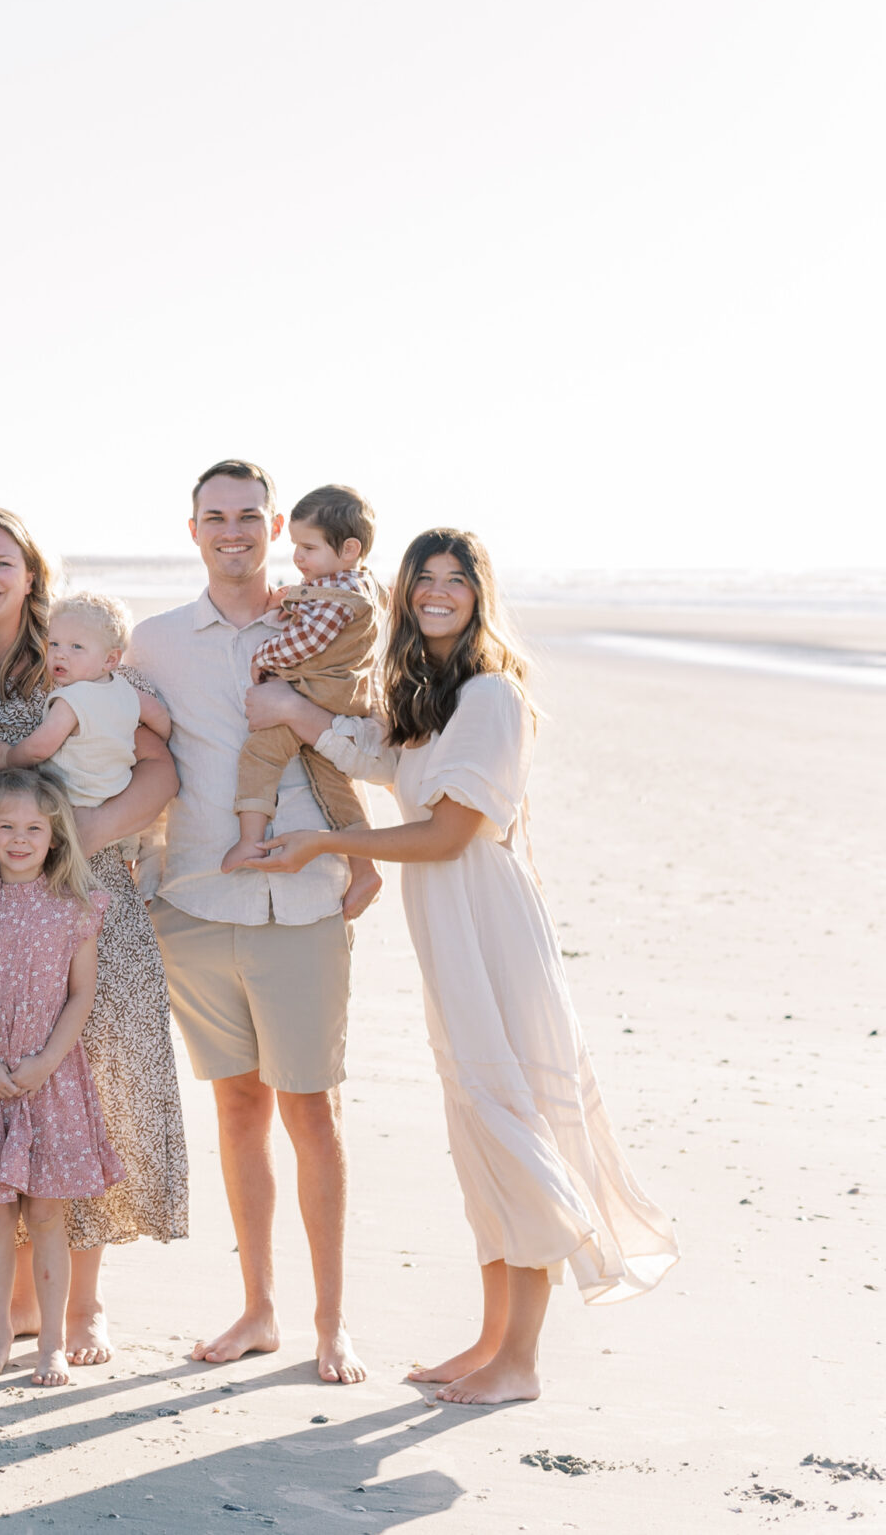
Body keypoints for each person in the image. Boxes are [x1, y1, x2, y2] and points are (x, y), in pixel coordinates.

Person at [249, 529, 679, 1404]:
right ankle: (491, 1341)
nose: (438, 593)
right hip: (450, 931)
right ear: (404, 594)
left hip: (491, 928)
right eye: (425, 581)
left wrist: (329, 839)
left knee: (511, 1123)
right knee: (479, 1125)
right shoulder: (426, 694)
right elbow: (382, 756)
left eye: (457, 580)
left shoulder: (490, 694)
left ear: (480, 594)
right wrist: (300, 715)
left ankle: (519, 1362)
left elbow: (449, 834)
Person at [127, 459, 367, 1384]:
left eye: (250, 517)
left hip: (303, 893)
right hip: (193, 898)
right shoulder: (153, 641)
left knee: (312, 1107)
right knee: (236, 1106)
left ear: (275, 529)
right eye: (215, 516)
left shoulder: (325, 620)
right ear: (193, 530)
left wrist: (362, 852)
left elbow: (370, 740)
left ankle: (331, 1323)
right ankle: (259, 1308)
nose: (233, 530)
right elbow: (122, 746)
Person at [0, 508, 187, 1365]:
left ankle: (82, 1304)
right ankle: (15, 1301)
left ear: (31, 574)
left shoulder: (71, 658)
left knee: (92, 1086)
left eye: (3, 561)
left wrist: (85, 834)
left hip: (82, 894)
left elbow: (161, 760)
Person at [0, 769, 120, 1385]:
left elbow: (81, 995)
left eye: (33, 829)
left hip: (55, 1077)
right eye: (7, 828)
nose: (20, 839)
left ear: (54, 837)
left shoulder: (76, 908)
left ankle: (50, 1341)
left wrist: (45, 1061)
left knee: (47, 1215)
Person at [222, 484, 383, 918]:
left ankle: (248, 839)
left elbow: (309, 639)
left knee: (260, 754)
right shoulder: (354, 585)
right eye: (296, 546)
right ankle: (364, 868)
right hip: (343, 699)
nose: (298, 557)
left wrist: (263, 656)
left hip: (316, 691)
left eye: (308, 547)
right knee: (334, 786)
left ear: (349, 549)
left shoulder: (337, 597)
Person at [0, 591, 172, 862]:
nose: (60, 655)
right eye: (55, 644)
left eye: (76, 647)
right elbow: (160, 718)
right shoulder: (127, 692)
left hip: (73, 807)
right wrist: (151, 735)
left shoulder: (72, 699)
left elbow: (39, 748)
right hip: (116, 799)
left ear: (110, 660)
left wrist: (7, 756)